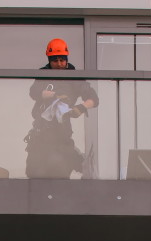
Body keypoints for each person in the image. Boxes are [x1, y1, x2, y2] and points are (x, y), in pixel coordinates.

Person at [25, 37, 99, 179]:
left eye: (62, 60)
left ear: (66, 59)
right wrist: (54, 96)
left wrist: (81, 108)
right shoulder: (43, 74)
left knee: (59, 168)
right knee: (34, 171)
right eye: (55, 60)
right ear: (49, 60)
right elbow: (34, 92)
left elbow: (93, 98)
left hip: (61, 134)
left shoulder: (74, 78)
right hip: (40, 134)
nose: (59, 64)